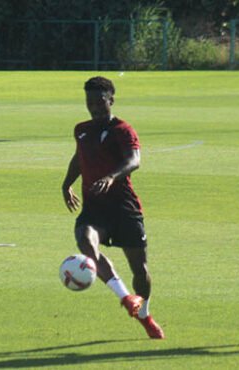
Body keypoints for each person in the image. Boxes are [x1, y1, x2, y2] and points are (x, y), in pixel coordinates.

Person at [61, 76, 164, 339]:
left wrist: (111, 176)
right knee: (85, 242)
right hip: (94, 208)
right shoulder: (81, 129)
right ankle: (125, 298)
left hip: (124, 207)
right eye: (89, 102)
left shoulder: (122, 130)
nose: (94, 107)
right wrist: (66, 183)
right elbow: (79, 157)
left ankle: (145, 313)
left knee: (139, 269)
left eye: (99, 101)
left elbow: (134, 160)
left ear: (111, 99)